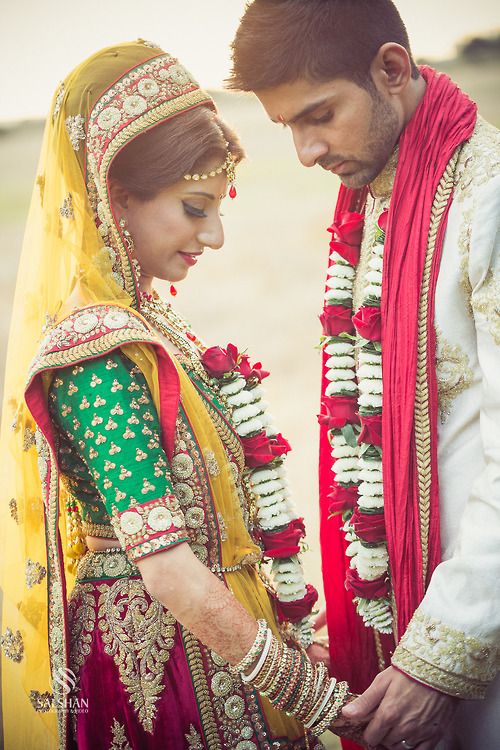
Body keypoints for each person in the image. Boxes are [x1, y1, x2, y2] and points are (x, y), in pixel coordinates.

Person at [0, 40, 367, 750]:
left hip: (218, 644)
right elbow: (167, 568)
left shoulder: (148, 322)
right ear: (117, 196)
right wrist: (307, 693)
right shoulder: (96, 355)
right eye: (195, 208)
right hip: (161, 677)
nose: (216, 235)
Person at [228, 1, 500, 749]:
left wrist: (438, 661)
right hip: (403, 620)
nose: (306, 152)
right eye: (288, 126)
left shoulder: (488, 198)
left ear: (391, 68)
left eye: (319, 115)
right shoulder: (379, 197)